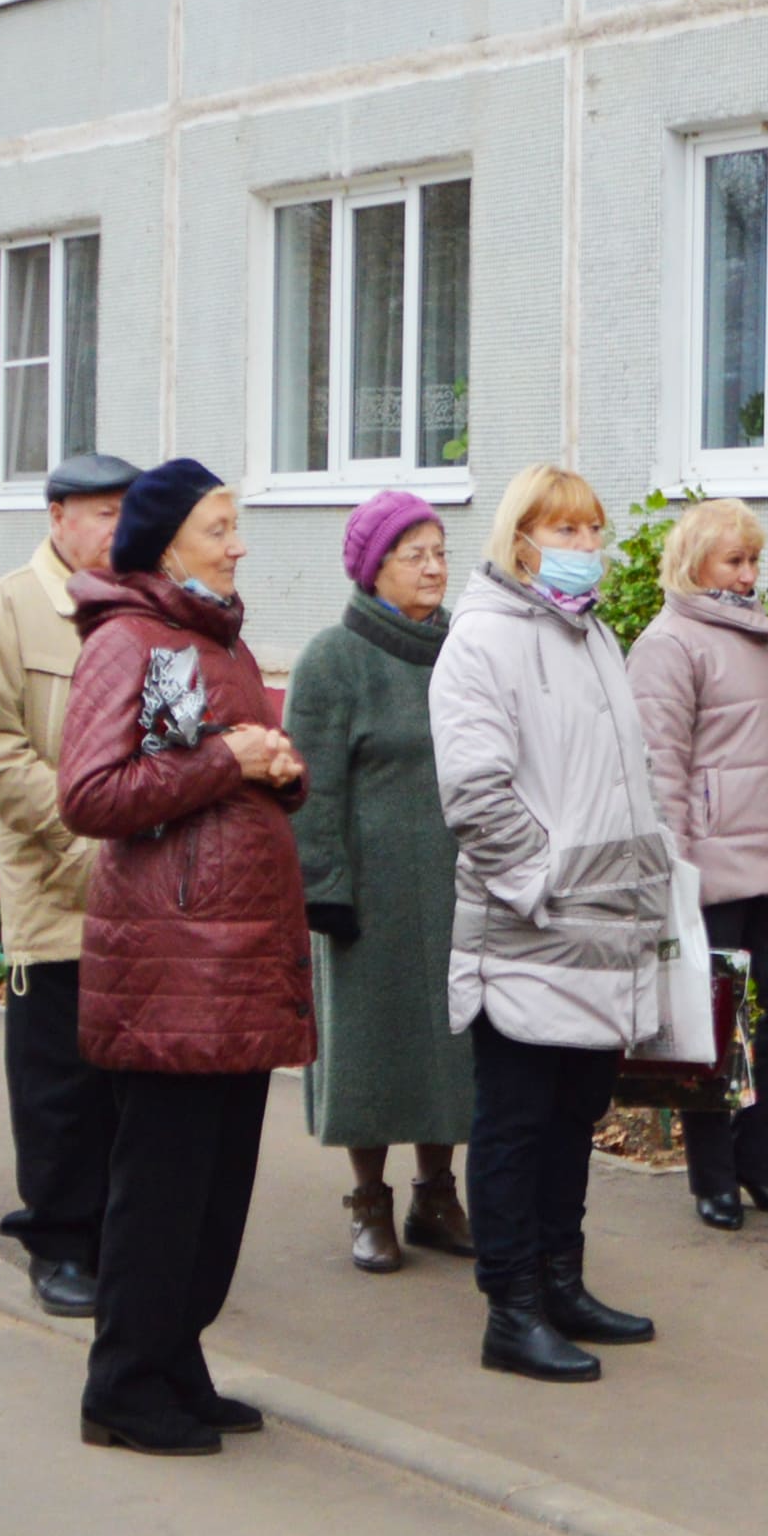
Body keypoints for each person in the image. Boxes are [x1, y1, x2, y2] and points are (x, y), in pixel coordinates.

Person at [57, 458, 312, 1457]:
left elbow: (226, 761)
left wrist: (275, 771)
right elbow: (91, 793)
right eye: (219, 527)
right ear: (166, 543)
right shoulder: (126, 639)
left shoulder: (217, 641)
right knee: (160, 1189)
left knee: (214, 1190)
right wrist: (227, 762)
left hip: (236, 957)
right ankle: (121, 1384)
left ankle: (176, 1358)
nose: (237, 543)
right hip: (170, 965)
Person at [432, 464, 676, 1383]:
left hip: (604, 936)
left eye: (590, 531)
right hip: (530, 939)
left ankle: (561, 1281)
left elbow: (626, 779)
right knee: (517, 1122)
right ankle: (513, 1309)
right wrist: (541, 886)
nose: (582, 549)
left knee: (575, 1117)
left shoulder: (591, 636)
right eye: (563, 531)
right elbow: (476, 793)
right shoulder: (483, 641)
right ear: (519, 539)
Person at [0, 447, 142, 1318]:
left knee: (134, 1078)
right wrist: (79, 840)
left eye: (124, 513)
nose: (115, 529)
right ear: (56, 518)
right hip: (57, 884)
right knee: (61, 1082)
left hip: (144, 885)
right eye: (99, 513)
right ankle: (59, 1245)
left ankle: (124, 1239)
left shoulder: (142, 604)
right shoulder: (8, 612)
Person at [290, 487, 475, 1274]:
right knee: (370, 1051)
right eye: (415, 555)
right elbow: (310, 787)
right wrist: (322, 885)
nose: (434, 568)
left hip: (460, 884)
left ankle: (437, 1194)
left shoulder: (465, 649)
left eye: (439, 551)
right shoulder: (334, 659)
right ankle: (369, 1201)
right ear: (374, 570)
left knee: (451, 1043)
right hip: (368, 895)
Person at [628, 498, 768, 1231]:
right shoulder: (668, 643)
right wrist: (672, 867)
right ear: (693, 564)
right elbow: (660, 768)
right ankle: (712, 1180)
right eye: (733, 561)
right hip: (708, 866)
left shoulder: (757, 636)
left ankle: (756, 1165)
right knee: (708, 1027)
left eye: (753, 561)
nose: (747, 576)